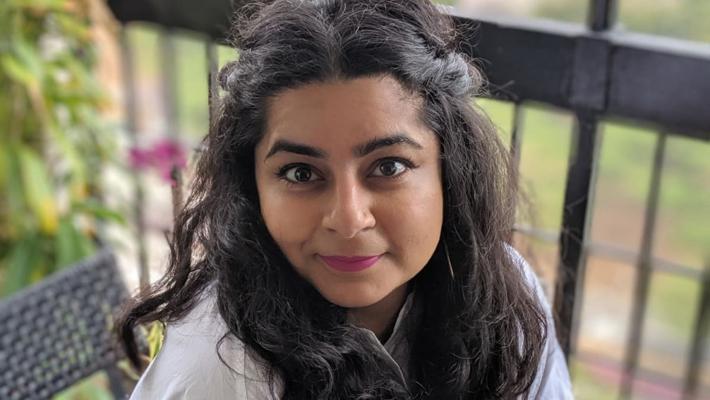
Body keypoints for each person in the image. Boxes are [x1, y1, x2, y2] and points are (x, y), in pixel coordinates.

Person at [118, 0, 574, 398]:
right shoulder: (221, 375)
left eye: (389, 167)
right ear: (251, 188)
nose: (350, 219)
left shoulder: (501, 303)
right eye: (301, 173)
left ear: (450, 169)